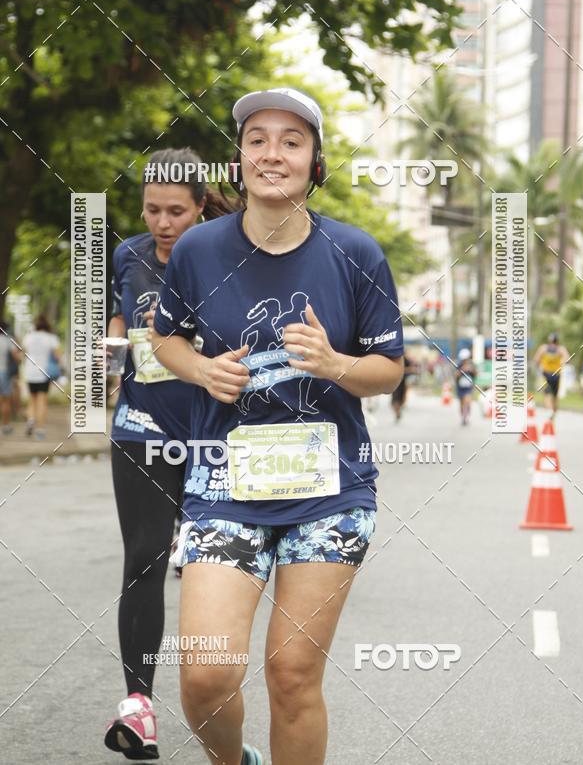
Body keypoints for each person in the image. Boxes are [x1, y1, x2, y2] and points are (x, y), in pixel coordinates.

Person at [152, 87, 405, 765]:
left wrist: (334, 362)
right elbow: (165, 340)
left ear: (314, 162)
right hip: (223, 486)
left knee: (292, 677)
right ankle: (235, 760)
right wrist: (203, 371)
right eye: (257, 138)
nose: (272, 152)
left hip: (330, 493)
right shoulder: (199, 249)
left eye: (292, 141)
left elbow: (390, 368)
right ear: (238, 160)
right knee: (205, 675)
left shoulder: (355, 251)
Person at [104, 149, 235, 762]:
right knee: (144, 558)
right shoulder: (127, 255)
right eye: (152, 209)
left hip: (213, 433)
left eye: (175, 211)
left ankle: (219, 715)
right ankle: (139, 704)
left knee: (216, 568)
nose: (162, 222)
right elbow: (116, 327)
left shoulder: (224, 255)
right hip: (142, 428)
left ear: (200, 207)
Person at [22, 314, 61, 439]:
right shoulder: (51, 338)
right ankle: (40, 429)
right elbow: (58, 356)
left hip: (29, 372)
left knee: (32, 399)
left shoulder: (28, 337)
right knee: (42, 400)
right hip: (44, 372)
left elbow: (23, 353)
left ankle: (30, 420)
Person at [534, 332, 569, 419]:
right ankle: (553, 412)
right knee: (555, 395)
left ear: (549, 340)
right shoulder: (560, 349)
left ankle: (550, 410)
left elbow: (536, 360)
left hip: (546, 374)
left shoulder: (543, 348)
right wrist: (562, 361)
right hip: (557, 374)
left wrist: (539, 365)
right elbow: (567, 358)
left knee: (547, 394)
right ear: (557, 341)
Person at [0, 320, 19, 434]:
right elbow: (16, 356)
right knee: (5, 400)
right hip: (4, 373)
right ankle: (6, 426)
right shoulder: (8, 340)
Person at [390, 352, 416, 421]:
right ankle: (397, 411)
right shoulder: (392, 358)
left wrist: (404, 370)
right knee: (395, 399)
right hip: (394, 382)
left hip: (402, 382)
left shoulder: (405, 359)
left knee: (400, 399)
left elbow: (411, 369)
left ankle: (398, 410)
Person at [455, 348, 477, 426]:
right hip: (460, 387)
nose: (465, 360)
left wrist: (471, 370)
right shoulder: (458, 365)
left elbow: (476, 374)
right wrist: (462, 370)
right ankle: (463, 417)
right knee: (461, 403)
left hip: (468, 387)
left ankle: (466, 416)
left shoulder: (472, 364)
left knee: (467, 401)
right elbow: (455, 375)